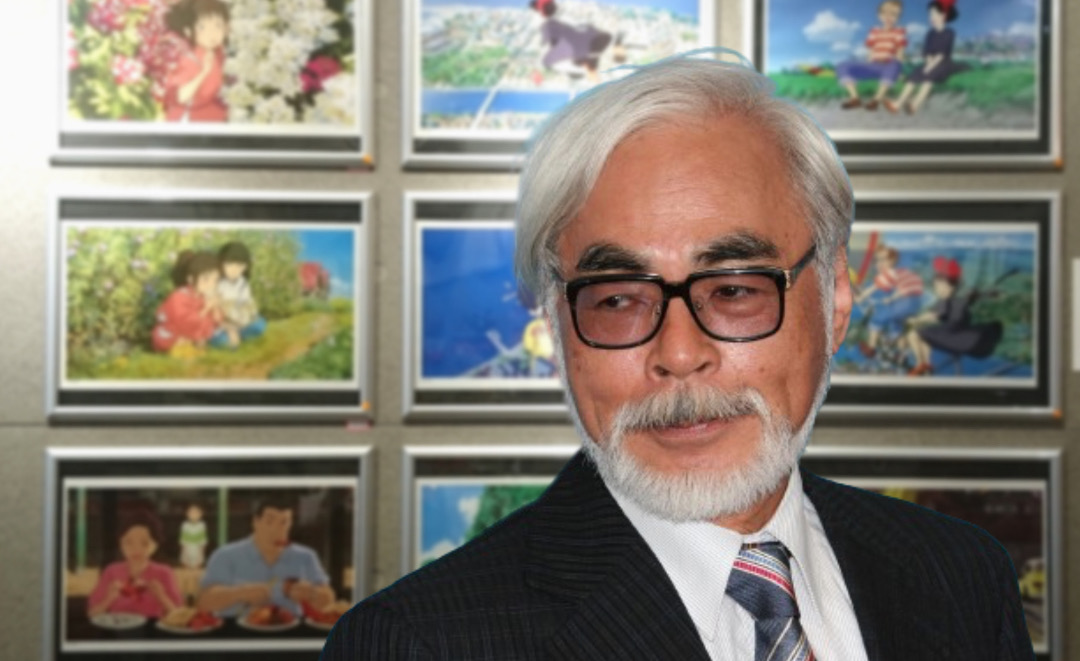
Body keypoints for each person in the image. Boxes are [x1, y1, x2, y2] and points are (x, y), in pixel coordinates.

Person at [321, 53, 1033, 660]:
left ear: (836, 298)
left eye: (733, 289)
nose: (680, 354)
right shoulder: (417, 643)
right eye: (617, 299)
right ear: (557, 326)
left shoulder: (960, 574)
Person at [196, 495, 334, 617]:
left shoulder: (305, 556)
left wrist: (312, 594)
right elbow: (204, 602)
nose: (277, 530)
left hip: (290, 631)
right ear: (256, 522)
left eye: (284, 522)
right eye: (269, 521)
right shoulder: (225, 555)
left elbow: (328, 600)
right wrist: (239, 593)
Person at [905, 256, 1003, 376]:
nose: (936, 289)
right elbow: (976, 296)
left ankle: (921, 364)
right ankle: (926, 365)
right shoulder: (961, 298)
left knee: (914, 334)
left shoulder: (946, 301)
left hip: (953, 336)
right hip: (971, 338)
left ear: (948, 286)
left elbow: (933, 315)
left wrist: (916, 320)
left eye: (938, 285)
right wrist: (991, 294)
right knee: (925, 335)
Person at [87, 507, 182, 620]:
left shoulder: (164, 572)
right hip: (118, 627)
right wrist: (109, 598)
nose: (136, 549)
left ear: (155, 545)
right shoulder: (111, 571)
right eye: (128, 542)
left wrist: (162, 596)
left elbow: (179, 616)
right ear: (120, 543)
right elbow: (92, 613)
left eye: (144, 543)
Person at [885, 0, 965, 114]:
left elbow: (942, 54)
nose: (931, 17)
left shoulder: (949, 33)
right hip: (930, 61)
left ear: (943, 15)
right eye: (930, 14)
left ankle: (915, 105)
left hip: (944, 63)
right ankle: (897, 104)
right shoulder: (930, 33)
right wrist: (928, 63)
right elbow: (927, 51)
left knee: (929, 78)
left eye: (934, 14)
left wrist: (930, 66)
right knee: (914, 76)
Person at [151, 250, 228, 356]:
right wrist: (206, 309)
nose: (211, 284)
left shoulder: (204, 295)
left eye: (215, 280)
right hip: (172, 335)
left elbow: (217, 321)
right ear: (191, 279)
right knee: (185, 347)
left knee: (224, 340)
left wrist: (215, 307)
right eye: (206, 280)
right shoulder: (178, 297)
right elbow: (186, 324)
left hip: (194, 336)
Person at [163, 0, 229, 122]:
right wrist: (203, 73)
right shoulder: (189, 60)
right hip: (191, 118)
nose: (212, 33)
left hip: (213, 113)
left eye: (218, 25)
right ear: (188, 31)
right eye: (202, 27)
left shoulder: (219, 54)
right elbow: (181, 96)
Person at [854, 244, 924, 358]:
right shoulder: (901, 272)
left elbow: (874, 287)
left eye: (883, 259)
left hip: (906, 302)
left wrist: (860, 298)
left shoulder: (890, 273)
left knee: (877, 319)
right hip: (915, 303)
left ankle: (871, 348)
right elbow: (906, 287)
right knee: (895, 324)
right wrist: (892, 298)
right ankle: (901, 354)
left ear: (893, 260)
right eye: (877, 260)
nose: (879, 263)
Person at [530, 0, 624, 84]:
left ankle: (592, 72)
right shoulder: (558, 18)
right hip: (589, 41)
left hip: (580, 49)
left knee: (548, 61)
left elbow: (552, 43)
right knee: (590, 63)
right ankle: (614, 55)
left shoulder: (549, 24)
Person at [835, 1, 907, 111]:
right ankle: (855, 98)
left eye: (893, 14)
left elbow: (900, 52)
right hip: (874, 65)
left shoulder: (898, 32)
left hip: (888, 65)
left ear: (898, 17)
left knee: (894, 65)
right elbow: (871, 51)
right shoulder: (874, 32)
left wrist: (899, 70)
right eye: (885, 13)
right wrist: (868, 65)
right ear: (879, 15)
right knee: (843, 66)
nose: (888, 17)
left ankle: (876, 100)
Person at [214, 241, 266, 347]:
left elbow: (248, 305)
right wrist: (229, 328)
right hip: (222, 325)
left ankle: (238, 336)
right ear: (221, 264)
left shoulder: (243, 283)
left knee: (260, 324)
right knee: (222, 339)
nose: (234, 269)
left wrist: (246, 318)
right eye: (229, 264)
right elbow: (214, 314)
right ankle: (232, 337)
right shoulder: (217, 284)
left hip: (239, 321)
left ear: (245, 266)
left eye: (239, 265)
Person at [179, 503, 209, 569]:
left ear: (200, 514)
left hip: (197, 549)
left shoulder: (202, 525)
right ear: (187, 514)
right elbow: (183, 541)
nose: (193, 515)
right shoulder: (185, 525)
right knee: (186, 565)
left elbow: (203, 540)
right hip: (187, 548)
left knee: (197, 565)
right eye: (191, 513)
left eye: (196, 513)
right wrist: (183, 551)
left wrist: (202, 551)